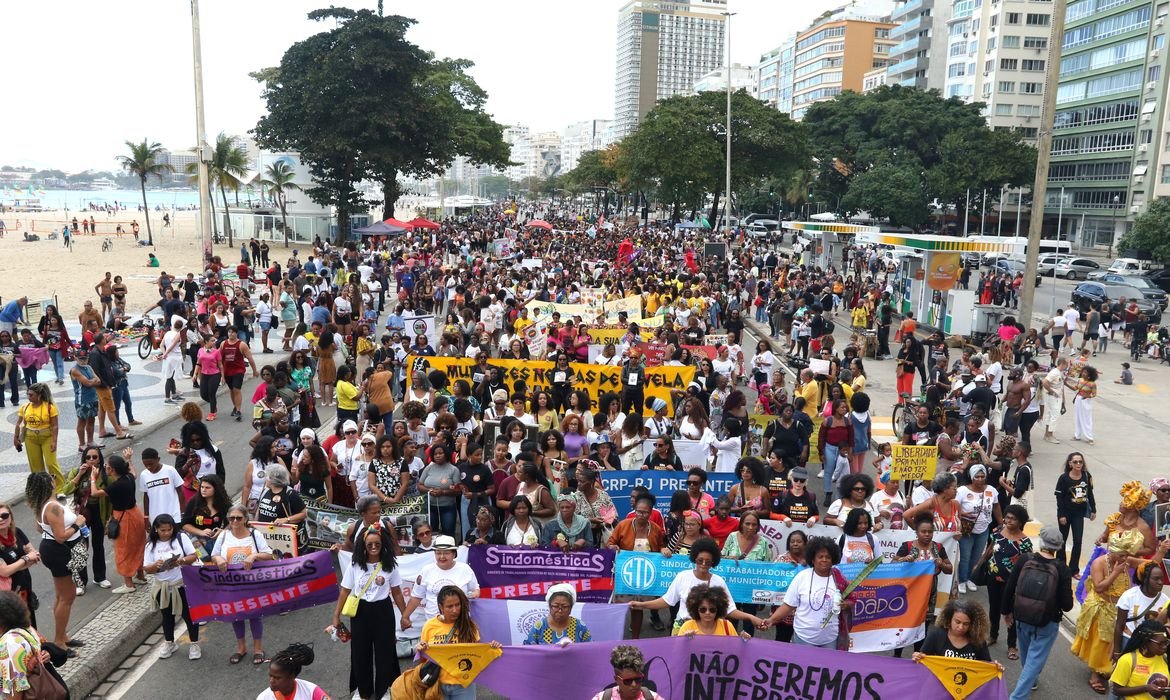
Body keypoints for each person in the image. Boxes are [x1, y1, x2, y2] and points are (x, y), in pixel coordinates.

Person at [328, 523, 406, 700]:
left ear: (382, 544)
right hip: (361, 612)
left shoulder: (389, 565)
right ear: (363, 545)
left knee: (385, 651)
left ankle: (384, 689)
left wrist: (405, 616)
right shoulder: (355, 565)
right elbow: (345, 591)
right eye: (369, 544)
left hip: (383, 611)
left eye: (376, 544)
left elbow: (397, 592)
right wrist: (336, 616)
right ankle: (362, 691)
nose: (373, 547)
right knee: (360, 651)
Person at [630, 537, 762, 634]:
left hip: (708, 630)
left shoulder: (719, 581)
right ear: (694, 559)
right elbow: (667, 600)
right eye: (700, 560)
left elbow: (730, 610)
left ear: (713, 562)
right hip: (682, 628)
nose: (704, 564)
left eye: (708, 561)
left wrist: (750, 617)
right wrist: (641, 605)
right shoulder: (683, 576)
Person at [1002, 525, 1074, 699]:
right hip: (1047, 622)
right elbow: (1067, 605)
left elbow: (1010, 587)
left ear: (1041, 540)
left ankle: (1031, 680)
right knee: (1035, 660)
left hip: (1022, 616)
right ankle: (1017, 697)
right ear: (1059, 546)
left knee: (1028, 656)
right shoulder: (1062, 568)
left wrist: (1006, 612)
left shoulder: (1025, 559)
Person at [1071, 530, 1144, 694]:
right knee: (1101, 641)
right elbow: (1099, 587)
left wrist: (1161, 551)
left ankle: (1106, 668)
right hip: (1101, 606)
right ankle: (1095, 675)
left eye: (1127, 555)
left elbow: (1148, 565)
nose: (1125, 559)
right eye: (1122, 556)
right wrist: (1117, 572)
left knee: (1113, 641)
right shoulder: (1099, 563)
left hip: (1118, 608)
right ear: (1113, 552)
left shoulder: (1125, 559)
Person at [211, 504, 275, 665]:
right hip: (231, 583)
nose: (235, 521)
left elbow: (268, 554)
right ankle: (241, 648)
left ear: (246, 519)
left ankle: (258, 649)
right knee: (236, 615)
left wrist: (254, 556)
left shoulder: (255, 534)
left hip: (252, 583)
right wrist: (218, 559)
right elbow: (214, 554)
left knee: (254, 615)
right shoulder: (224, 535)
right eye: (232, 518)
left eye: (239, 518)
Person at [27, 471, 83, 649]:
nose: (54, 480)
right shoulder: (53, 507)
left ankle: (63, 635)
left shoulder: (43, 504)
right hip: (59, 551)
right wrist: (77, 523)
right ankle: (59, 640)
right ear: (48, 483)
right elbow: (61, 537)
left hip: (52, 550)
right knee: (68, 596)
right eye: (51, 478)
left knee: (61, 595)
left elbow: (39, 528)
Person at [414, 586, 500, 700]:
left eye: (457, 604)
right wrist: (420, 649)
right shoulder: (430, 626)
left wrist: (492, 647)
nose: (455, 610)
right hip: (437, 684)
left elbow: (477, 656)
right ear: (441, 607)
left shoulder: (470, 626)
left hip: (464, 686)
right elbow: (424, 660)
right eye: (449, 606)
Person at [761, 536, 845, 648]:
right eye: (820, 556)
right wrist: (771, 620)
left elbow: (850, 601)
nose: (824, 560)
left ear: (833, 559)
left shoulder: (839, 579)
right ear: (813, 559)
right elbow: (788, 605)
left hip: (830, 640)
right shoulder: (802, 577)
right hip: (803, 639)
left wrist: (847, 604)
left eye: (828, 557)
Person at [87, 450, 147, 594]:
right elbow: (134, 473)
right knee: (138, 546)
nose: (105, 468)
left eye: (107, 467)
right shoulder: (128, 478)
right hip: (136, 514)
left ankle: (129, 584)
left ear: (112, 470)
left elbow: (95, 493)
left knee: (124, 549)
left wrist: (93, 479)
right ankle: (140, 575)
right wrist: (129, 459)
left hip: (124, 518)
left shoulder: (116, 485)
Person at [143, 514, 200, 660]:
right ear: (156, 529)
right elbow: (146, 568)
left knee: (189, 615)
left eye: (169, 530)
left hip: (181, 584)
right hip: (162, 587)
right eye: (163, 530)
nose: (167, 533)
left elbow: (193, 555)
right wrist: (156, 566)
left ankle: (194, 643)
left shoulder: (181, 538)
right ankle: (169, 642)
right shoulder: (150, 545)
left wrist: (181, 560)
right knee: (167, 616)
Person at [912, 598, 1002, 669]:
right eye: (957, 622)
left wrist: (995, 667)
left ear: (973, 624)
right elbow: (923, 660)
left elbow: (986, 666)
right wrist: (917, 657)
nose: (961, 627)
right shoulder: (936, 635)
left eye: (966, 624)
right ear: (949, 619)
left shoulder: (978, 640)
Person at [956, 465, 1002, 592]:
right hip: (967, 530)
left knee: (976, 556)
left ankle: (971, 578)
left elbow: (996, 506)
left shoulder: (991, 490)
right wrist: (961, 514)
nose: (980, 479)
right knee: (965, 557)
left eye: (983, 476)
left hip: (983, 529)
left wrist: (1001, 523)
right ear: (971, 477)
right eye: (977, 477)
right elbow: (954, 506)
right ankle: (962, 580)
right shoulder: (962, 491)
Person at [13, 383, 63, 490]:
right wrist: (16, 438)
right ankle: (41, 489)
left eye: (31, 395)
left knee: (51, 464)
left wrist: (54, 441)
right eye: (28, 394)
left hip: (47, 437)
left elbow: (54, 426)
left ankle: (60, 488)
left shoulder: (50, 407)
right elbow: (18, 423)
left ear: (39, 395)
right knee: (36, 466)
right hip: (30, 438)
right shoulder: (25, 407)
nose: (28, 397)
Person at [1055, 452, 1096, 577]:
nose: (1078, 464)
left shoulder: (1086, 476)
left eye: (1080, 462)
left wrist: (1093, 509)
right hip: (1065, 514)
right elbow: (1059, 498)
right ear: (1070, 464)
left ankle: (1074, 570)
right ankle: (1060, 567)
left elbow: (1090, 494)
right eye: (1075, 462)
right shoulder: (1064, 478)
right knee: (1062, 541)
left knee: (1078, 541)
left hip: (1079, 514)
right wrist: (1061, 515)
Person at [1109, 620, 1170, 700]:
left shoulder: (1164, 658)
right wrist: (1146, 688)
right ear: (1146, 642)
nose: (1164, 647)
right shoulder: (1128, 660)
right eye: (1160, 644)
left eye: (1166, 642)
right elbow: (1116, 690)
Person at [255, 465, 308, 554]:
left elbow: (304, 514)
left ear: (273, 479)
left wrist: (286, 520)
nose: (265, 479)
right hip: (267, 539)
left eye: (267, 477)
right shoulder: (265, 491)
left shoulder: (290, 494)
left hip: (286, 541)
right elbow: (259, 510)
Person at [256, 643, 332, 700]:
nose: (271, 681)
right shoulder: (263, 698)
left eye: (277, 678)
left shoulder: (311, 692)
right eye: (270, 675)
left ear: (292, 676)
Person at [524, 583, 592, 645]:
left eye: (565, 606)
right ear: (549, 606)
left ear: (571, 607)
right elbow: (527, 651)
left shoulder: (580, 626)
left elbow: (590, 650)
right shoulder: (539, 626)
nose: (560, 610)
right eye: (556, 606)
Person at [676, 583, 751, 640]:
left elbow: (735, 650)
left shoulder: (727, 626)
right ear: (696, 609)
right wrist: (685, 641)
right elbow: (678, 653)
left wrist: (743, 641)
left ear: (718, 609)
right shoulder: (687, 627)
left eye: (712, 609)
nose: (707, 612)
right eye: (703, 609)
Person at [590, 645, 665, 700]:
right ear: (616, 679)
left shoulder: (653, 698)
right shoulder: (601, 698)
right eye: (627, 681)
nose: (634, 685)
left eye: (638, 679)